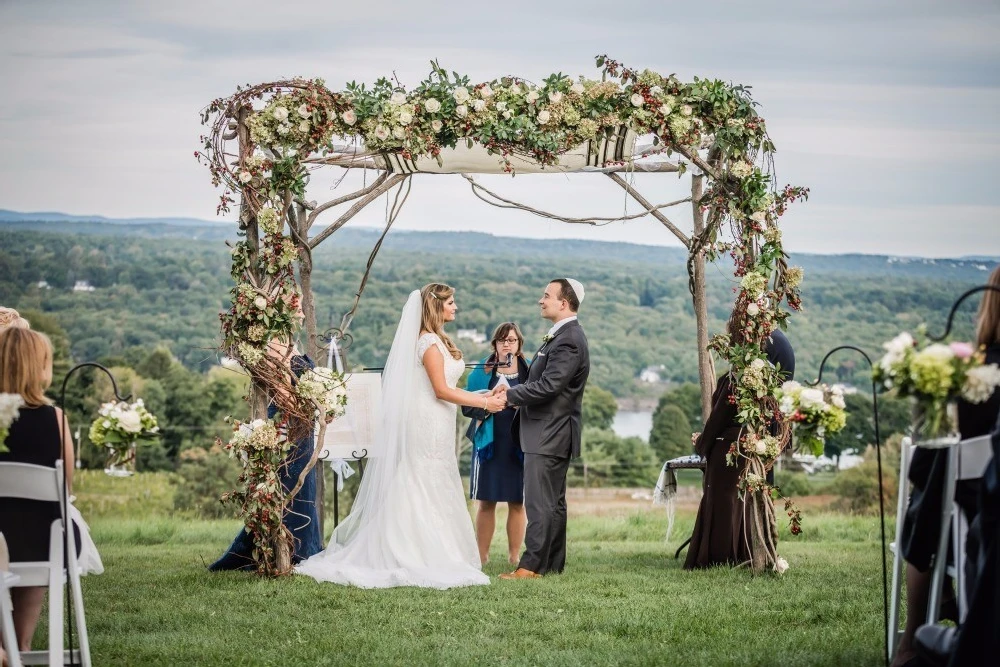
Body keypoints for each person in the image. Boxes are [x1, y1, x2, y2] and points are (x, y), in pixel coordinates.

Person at [296, 284, 504, 589]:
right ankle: (412, 550)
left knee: (434, 477)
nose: (456, 307)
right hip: (427, 420)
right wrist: (486, 403)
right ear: (436, 307)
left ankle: (438, 549)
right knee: (419, 477)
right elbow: (441, 390)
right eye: (451, 302)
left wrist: (485, 393)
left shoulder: (439, 340)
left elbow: (449, 388)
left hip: (440, 419)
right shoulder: (428, 343)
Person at [894, 265, 1000, 666]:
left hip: (968, 527)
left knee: (927, 505)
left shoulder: (969, 377)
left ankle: (911, 638)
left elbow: (923, 467)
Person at [496, 279, 590, 580]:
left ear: (564, 303)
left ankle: (531, 566)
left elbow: (550, 386)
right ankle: (550, 564)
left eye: (547, 296)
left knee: (539, 502)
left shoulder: (570, 338)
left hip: (550, 432)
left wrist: (509, 396)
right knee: (552, 503)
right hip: (551, 431)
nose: (541, 300)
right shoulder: (563, 335)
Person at [210, 333, 324, 570]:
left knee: (304, 484)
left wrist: (323, 405)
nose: (301, 311)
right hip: (287, 422)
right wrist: (315, 407)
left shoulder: (292, 341)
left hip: (302, 424)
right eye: (297, 306)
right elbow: (283, 394)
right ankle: (284, 550)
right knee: (286, 484)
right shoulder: (274, 343)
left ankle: (306, 546)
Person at [683, 325, 794, 570]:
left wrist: (703, 442)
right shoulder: (763, 369)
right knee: (741, 503)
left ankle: (720, 557)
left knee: (724, 502)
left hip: (732, 446)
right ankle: (746, 553)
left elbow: (721, 416)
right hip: (750, 443)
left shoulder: (739, 377)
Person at [0, 328, 78, 656]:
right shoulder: (55, 419)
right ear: (38, 368)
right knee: (43, 526)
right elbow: (67, 486)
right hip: (44, 543)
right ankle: (19, 646)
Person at [463, 322, 529, 565]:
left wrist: (515, 399)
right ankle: (482, 556)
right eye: (502, 340)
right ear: (494, 344)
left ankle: (514, 556)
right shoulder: (481, 370)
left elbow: (540, 400)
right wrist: (488, 400)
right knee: (486, 500)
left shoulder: (530, 369)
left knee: (517, 501)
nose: (506, 344)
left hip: (518, 442)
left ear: (519, 345)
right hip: (488, 442)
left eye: (511, 340)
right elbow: (467, 405)